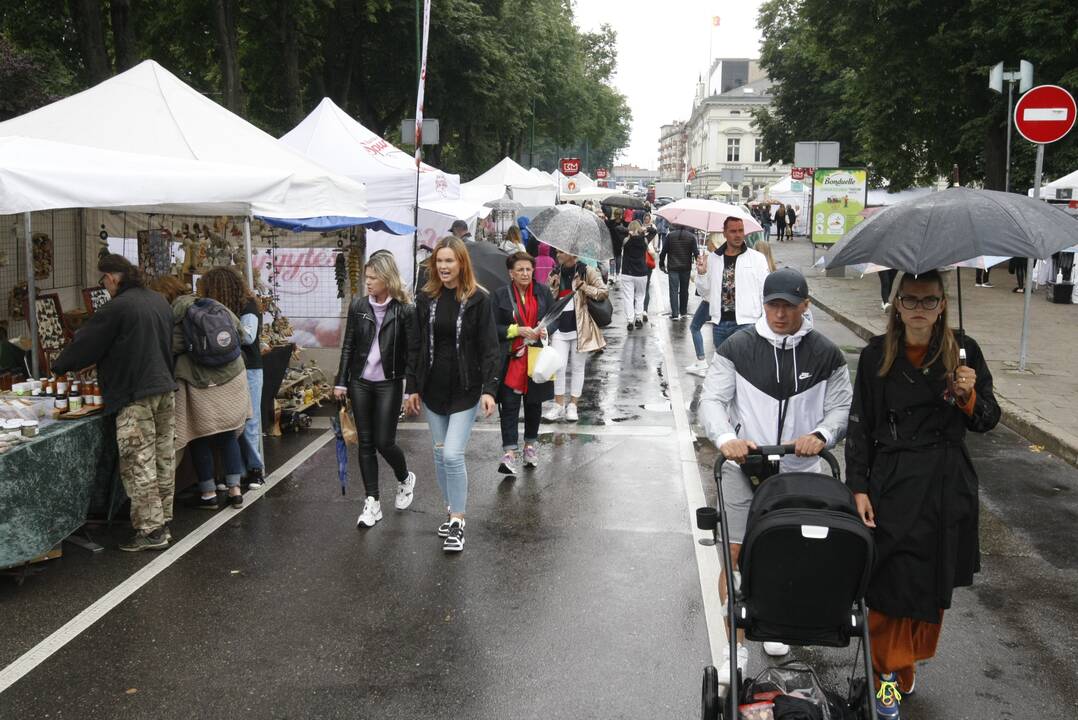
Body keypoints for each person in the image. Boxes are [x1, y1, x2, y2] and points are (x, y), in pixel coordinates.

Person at [845, 270, 1000, 719]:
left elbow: (987, 419)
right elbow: (860, 426)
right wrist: (858, 486)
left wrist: (968, 395)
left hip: (946, 485)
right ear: (897, 305)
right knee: (890, 588)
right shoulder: (878, 354)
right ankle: (887, 681)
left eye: (928, 301)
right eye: (909, 300)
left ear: (942, 305)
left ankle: (904, 664)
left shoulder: (964, 352)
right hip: (893, 483)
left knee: (928, 591)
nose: (918, 309)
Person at [699, 267, 853, 680]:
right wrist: (723, 437)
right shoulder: (737, 347)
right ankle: (735, 647)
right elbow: (712, 400)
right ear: (763, 304)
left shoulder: (826, 354)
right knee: (735, 555)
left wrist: (821, 433)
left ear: (806, 305)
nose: (780, 313)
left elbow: (840, 408)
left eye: (789, 305)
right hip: (744, 464)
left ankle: (775, 623)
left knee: (789, 552)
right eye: (773, 304)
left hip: (800, 469)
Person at [51, 254, 176, 552]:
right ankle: (163, 520)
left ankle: (151, 530)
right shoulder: (158, 301)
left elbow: (86, 344)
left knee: (139, 462)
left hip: (134, 394)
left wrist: (60, 366)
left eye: (103, 280)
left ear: (111, 277)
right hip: (164, 388)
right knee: (163, 458)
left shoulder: (117, 307)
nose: (104, 286)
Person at [404, 236, 499, 553]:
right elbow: (415, 346)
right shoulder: (425, 298)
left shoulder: (478, 300)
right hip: (432, 389)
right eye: (439, 261)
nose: (443, 267)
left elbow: (489, 348)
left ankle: (458, 520)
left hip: (466, 389)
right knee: (439, 453)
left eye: (449, 261)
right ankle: (450, 510)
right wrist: (412, 387)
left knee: (451, 455)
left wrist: (489, 389)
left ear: (461, 263)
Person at [150, 275, 251, 513]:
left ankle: (208, 494)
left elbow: (170, 347)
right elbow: (242, 334)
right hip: (233, 377)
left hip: (200, 383)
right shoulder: (213, 304)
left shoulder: (175, 315)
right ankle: (235, 490)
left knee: (199, 436)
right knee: (228, 435)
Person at [334, 252, 419, 528]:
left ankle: (405, 478)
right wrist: (341, 380)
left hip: (389, 382)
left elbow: (412, 352)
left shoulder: (404, 309)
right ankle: (372, 502)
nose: (367, 282)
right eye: (366, 277)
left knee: (385, 442)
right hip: (360, 381)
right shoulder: (358, 305)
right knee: (366, 443)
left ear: (387, 278)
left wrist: (411, 389)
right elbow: (348, 344)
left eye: (373, 278)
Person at [201, 267, 265, 489]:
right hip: (228, 369)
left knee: (249, 420)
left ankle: (255, 469)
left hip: (249, 369)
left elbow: (248, 336)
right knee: (229, 422)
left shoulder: (248, 306)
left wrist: (224, 329)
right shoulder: (222, 308)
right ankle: (238, 471)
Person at [492, 251, 555, 474]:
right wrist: (516, 330)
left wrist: (545, 330)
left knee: (533, 404)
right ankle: (509, 453)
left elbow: (554, 318)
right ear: (511, 273)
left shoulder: (543, 292)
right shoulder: (500, 296)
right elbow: (492, 328)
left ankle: (530, 446)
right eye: (520, 269)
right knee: (508, 406)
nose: (525, 273)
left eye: (529, 269)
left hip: (537, 357)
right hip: (511, 358)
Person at [543, 250, 608, 422]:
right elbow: (547, 299)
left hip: (581, 327)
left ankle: (573, 405)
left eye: (561, 252)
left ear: (572, 254)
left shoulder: (587, 271)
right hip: (559, 326)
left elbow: (603, 291)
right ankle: (558, 405)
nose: (557, 255)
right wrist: (553, 286)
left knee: (578, 368)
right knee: (559, 366)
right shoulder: (554, 272)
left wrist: (584, 287)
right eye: (557, 252)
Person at [694, 216, 771, 351]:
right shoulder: (713, 259)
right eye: (733, 231)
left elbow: (765, 291)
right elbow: (705, 294)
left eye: (741, 231)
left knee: (744, 368)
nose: (738, 235)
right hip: (720, 324)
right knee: (724, 369)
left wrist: (764, 322)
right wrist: (701, 274)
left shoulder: (757, 259)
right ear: (724, 233)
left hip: (747, 323)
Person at [686, 232, 720, 376]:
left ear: (713, 243)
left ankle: (702, 360)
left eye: (709, 241)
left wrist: (700, 273)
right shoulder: (719, 258)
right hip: (718, 301)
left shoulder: (711, 259)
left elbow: (704, 288)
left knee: (695, 327)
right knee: (718, 331)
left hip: (709, 301)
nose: (706, 244)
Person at [660, 223, 699, 320]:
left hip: (673, 267)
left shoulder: (670, 236)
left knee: (673, 290)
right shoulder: (691, 237)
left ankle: (675, 313)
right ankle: (683, 311)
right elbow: (696, 253)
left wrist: (661, 264)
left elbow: (663, 252)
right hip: (686, 267)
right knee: (684, 290)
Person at [619, 220, 652, 330]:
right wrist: (644, 230)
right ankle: (638, 318)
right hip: (641, 272)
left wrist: (628, 231)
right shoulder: (644, 241)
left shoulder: (625, 241)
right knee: (640, 296)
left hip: (627, 272)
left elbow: (616, 229)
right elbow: (654, 231)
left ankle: (629, 320)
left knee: (628, 297)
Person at [640, 213, 659, 322]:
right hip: (646, 257)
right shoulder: (644, 229)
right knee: (645, 286)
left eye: (648, 219)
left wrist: (655, 247)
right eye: (645, 219)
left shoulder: (651, 228)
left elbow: (655, 237)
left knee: (644, 287)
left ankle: (642, 310)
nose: (647, 220)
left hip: (649, 254)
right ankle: (644, 310)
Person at [605, 208, 627, 285]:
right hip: (615, 243)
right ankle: (614, 274)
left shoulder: (617, 223)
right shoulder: (618, 222)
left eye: (618, 214)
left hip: (616, 243)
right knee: (615, 259)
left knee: (615, 259)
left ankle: (614, 274)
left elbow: (605, 223)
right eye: (617, 214)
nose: (617, 216)